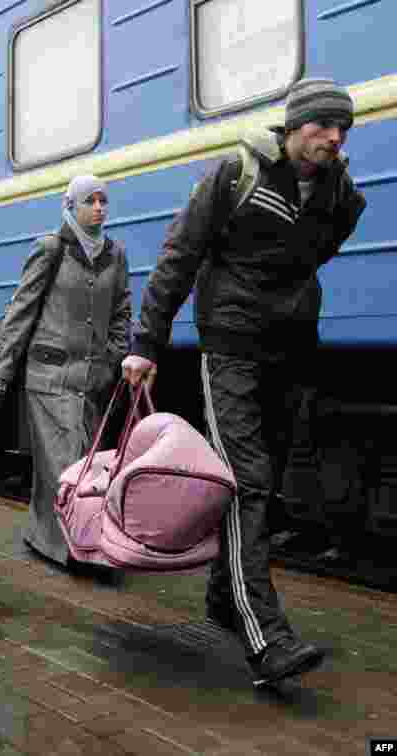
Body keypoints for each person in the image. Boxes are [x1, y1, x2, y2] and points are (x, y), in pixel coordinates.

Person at [121, 78, 366, 688]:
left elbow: (322, 249)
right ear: (293, 126)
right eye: (322, 127)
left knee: (267, 477)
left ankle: (223, 599)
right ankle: (266, 640)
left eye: (343, 130)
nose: (334, 138)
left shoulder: (340, 192)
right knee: (247, 481)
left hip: (290, 351)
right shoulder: (235, 174)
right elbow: (178, 256)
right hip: (229, 349)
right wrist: (146, 344)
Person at [0, 175, 131, 564]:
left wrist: (111, 359)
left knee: (79, 462)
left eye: (103, 200)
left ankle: (50, 537)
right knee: (66, 461)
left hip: (92, 379)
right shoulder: (50, 249)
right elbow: (21, 311)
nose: (99, 207)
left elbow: (121, 313)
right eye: (90, 201)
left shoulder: (115, 255)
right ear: (71, 206)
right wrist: (0, 374)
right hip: (49, 376)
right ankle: (73, 548)